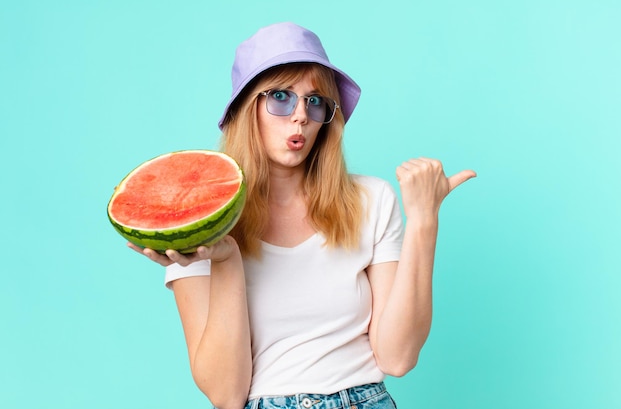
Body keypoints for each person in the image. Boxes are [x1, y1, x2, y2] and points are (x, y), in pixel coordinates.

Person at [128, 22, 476, 409]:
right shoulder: (196, 218)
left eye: (315, 101)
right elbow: (226, 394)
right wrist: (225, 258)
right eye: (280, 97)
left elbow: (397, 357)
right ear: (248, 108)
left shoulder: (371, 199)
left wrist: (424, 221)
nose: (300, 117)